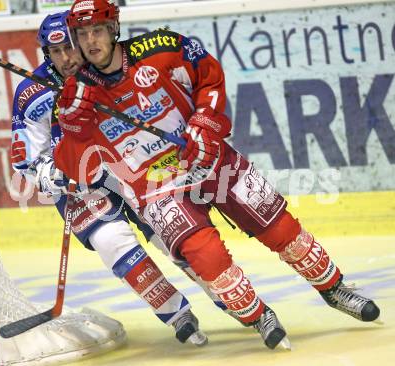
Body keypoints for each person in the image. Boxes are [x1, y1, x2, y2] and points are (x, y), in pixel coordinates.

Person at [54, 0, 381, 350]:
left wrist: (203, 125)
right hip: (156, 187)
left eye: (98, 31)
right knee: (206, 257)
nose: (91, 40)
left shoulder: (160, 48)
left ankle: (334, 289)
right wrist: (73, 127)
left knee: (280, 226)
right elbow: (80, 170)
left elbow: (208, 77)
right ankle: (259, 315)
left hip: (208, 157)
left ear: (113, 29)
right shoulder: (75, 96)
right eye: (83, 34)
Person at [10, 10, 223, 347]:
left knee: (172, 234)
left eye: (69, 47)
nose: (66, 58)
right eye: (55, 52)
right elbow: (25, 161)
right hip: (77, 181)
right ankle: (175, 313)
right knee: (111, 241)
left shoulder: (110, 70)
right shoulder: (30, 93)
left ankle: (225, 293)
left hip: (130, 166)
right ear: (45, 54)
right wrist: (56, 176)